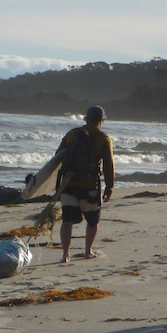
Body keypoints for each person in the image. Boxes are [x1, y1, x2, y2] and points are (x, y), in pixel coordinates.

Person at [56, 105, 115, 263]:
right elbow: (108, 164)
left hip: (68, 184)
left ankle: (65, 255)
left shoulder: (72, 134)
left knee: (67, 221)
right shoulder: (103, 138)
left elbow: (57, 156)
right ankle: (88, 251)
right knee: (92, 221)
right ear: (102, 120)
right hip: (89, 186)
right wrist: (110, 186)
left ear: (86, 118)